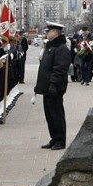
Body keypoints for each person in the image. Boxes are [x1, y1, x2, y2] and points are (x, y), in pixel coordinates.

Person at [34, 21, 71, 150]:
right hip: (47, 88)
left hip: (54, 88)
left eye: (48, 31)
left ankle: (60, 140)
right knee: (49, 115)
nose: (46, 33)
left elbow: (59, 69)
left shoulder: (61, 48)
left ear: (55, 32)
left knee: (56, 115)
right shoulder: (51, 47)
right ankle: (54, 138)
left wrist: (53, 84)